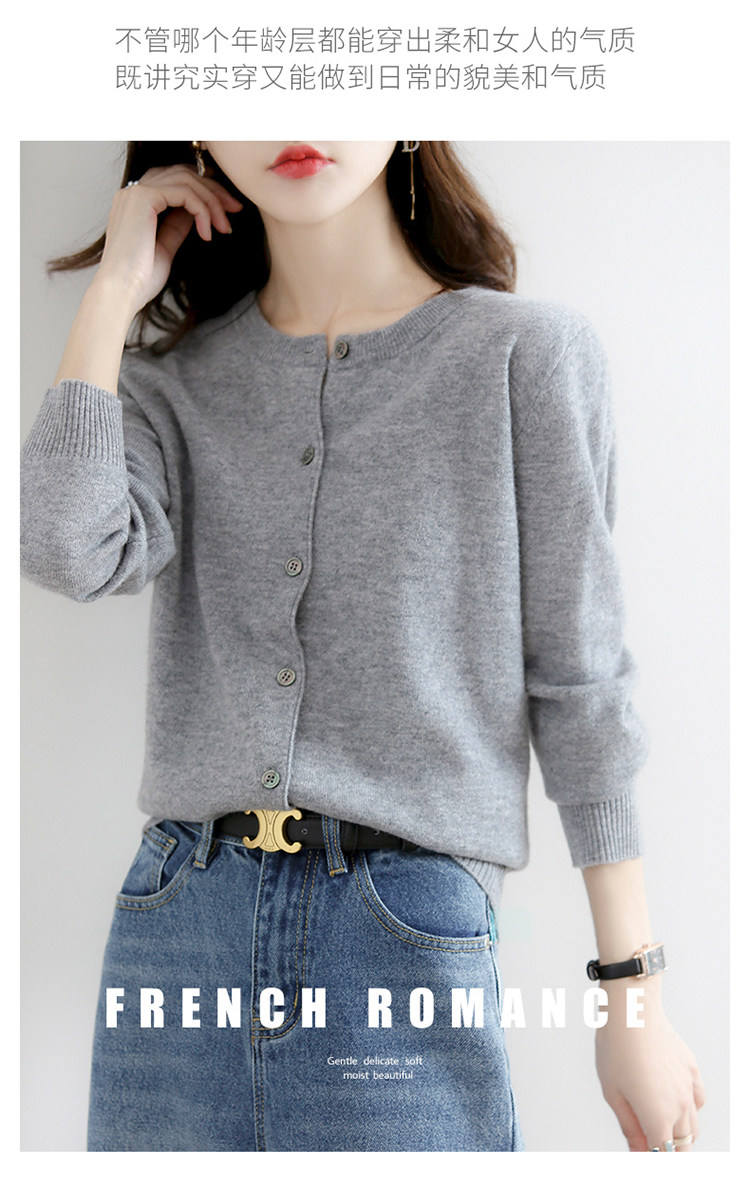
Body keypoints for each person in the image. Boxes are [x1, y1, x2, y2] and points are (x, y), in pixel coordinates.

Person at [20, 140, 706, 1152]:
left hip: (403, 929)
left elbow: (581, 681)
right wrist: (114, 297)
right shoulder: (175, 387)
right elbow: (65, 548)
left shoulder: (524, 356)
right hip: (180, 924)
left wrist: (630, 990)